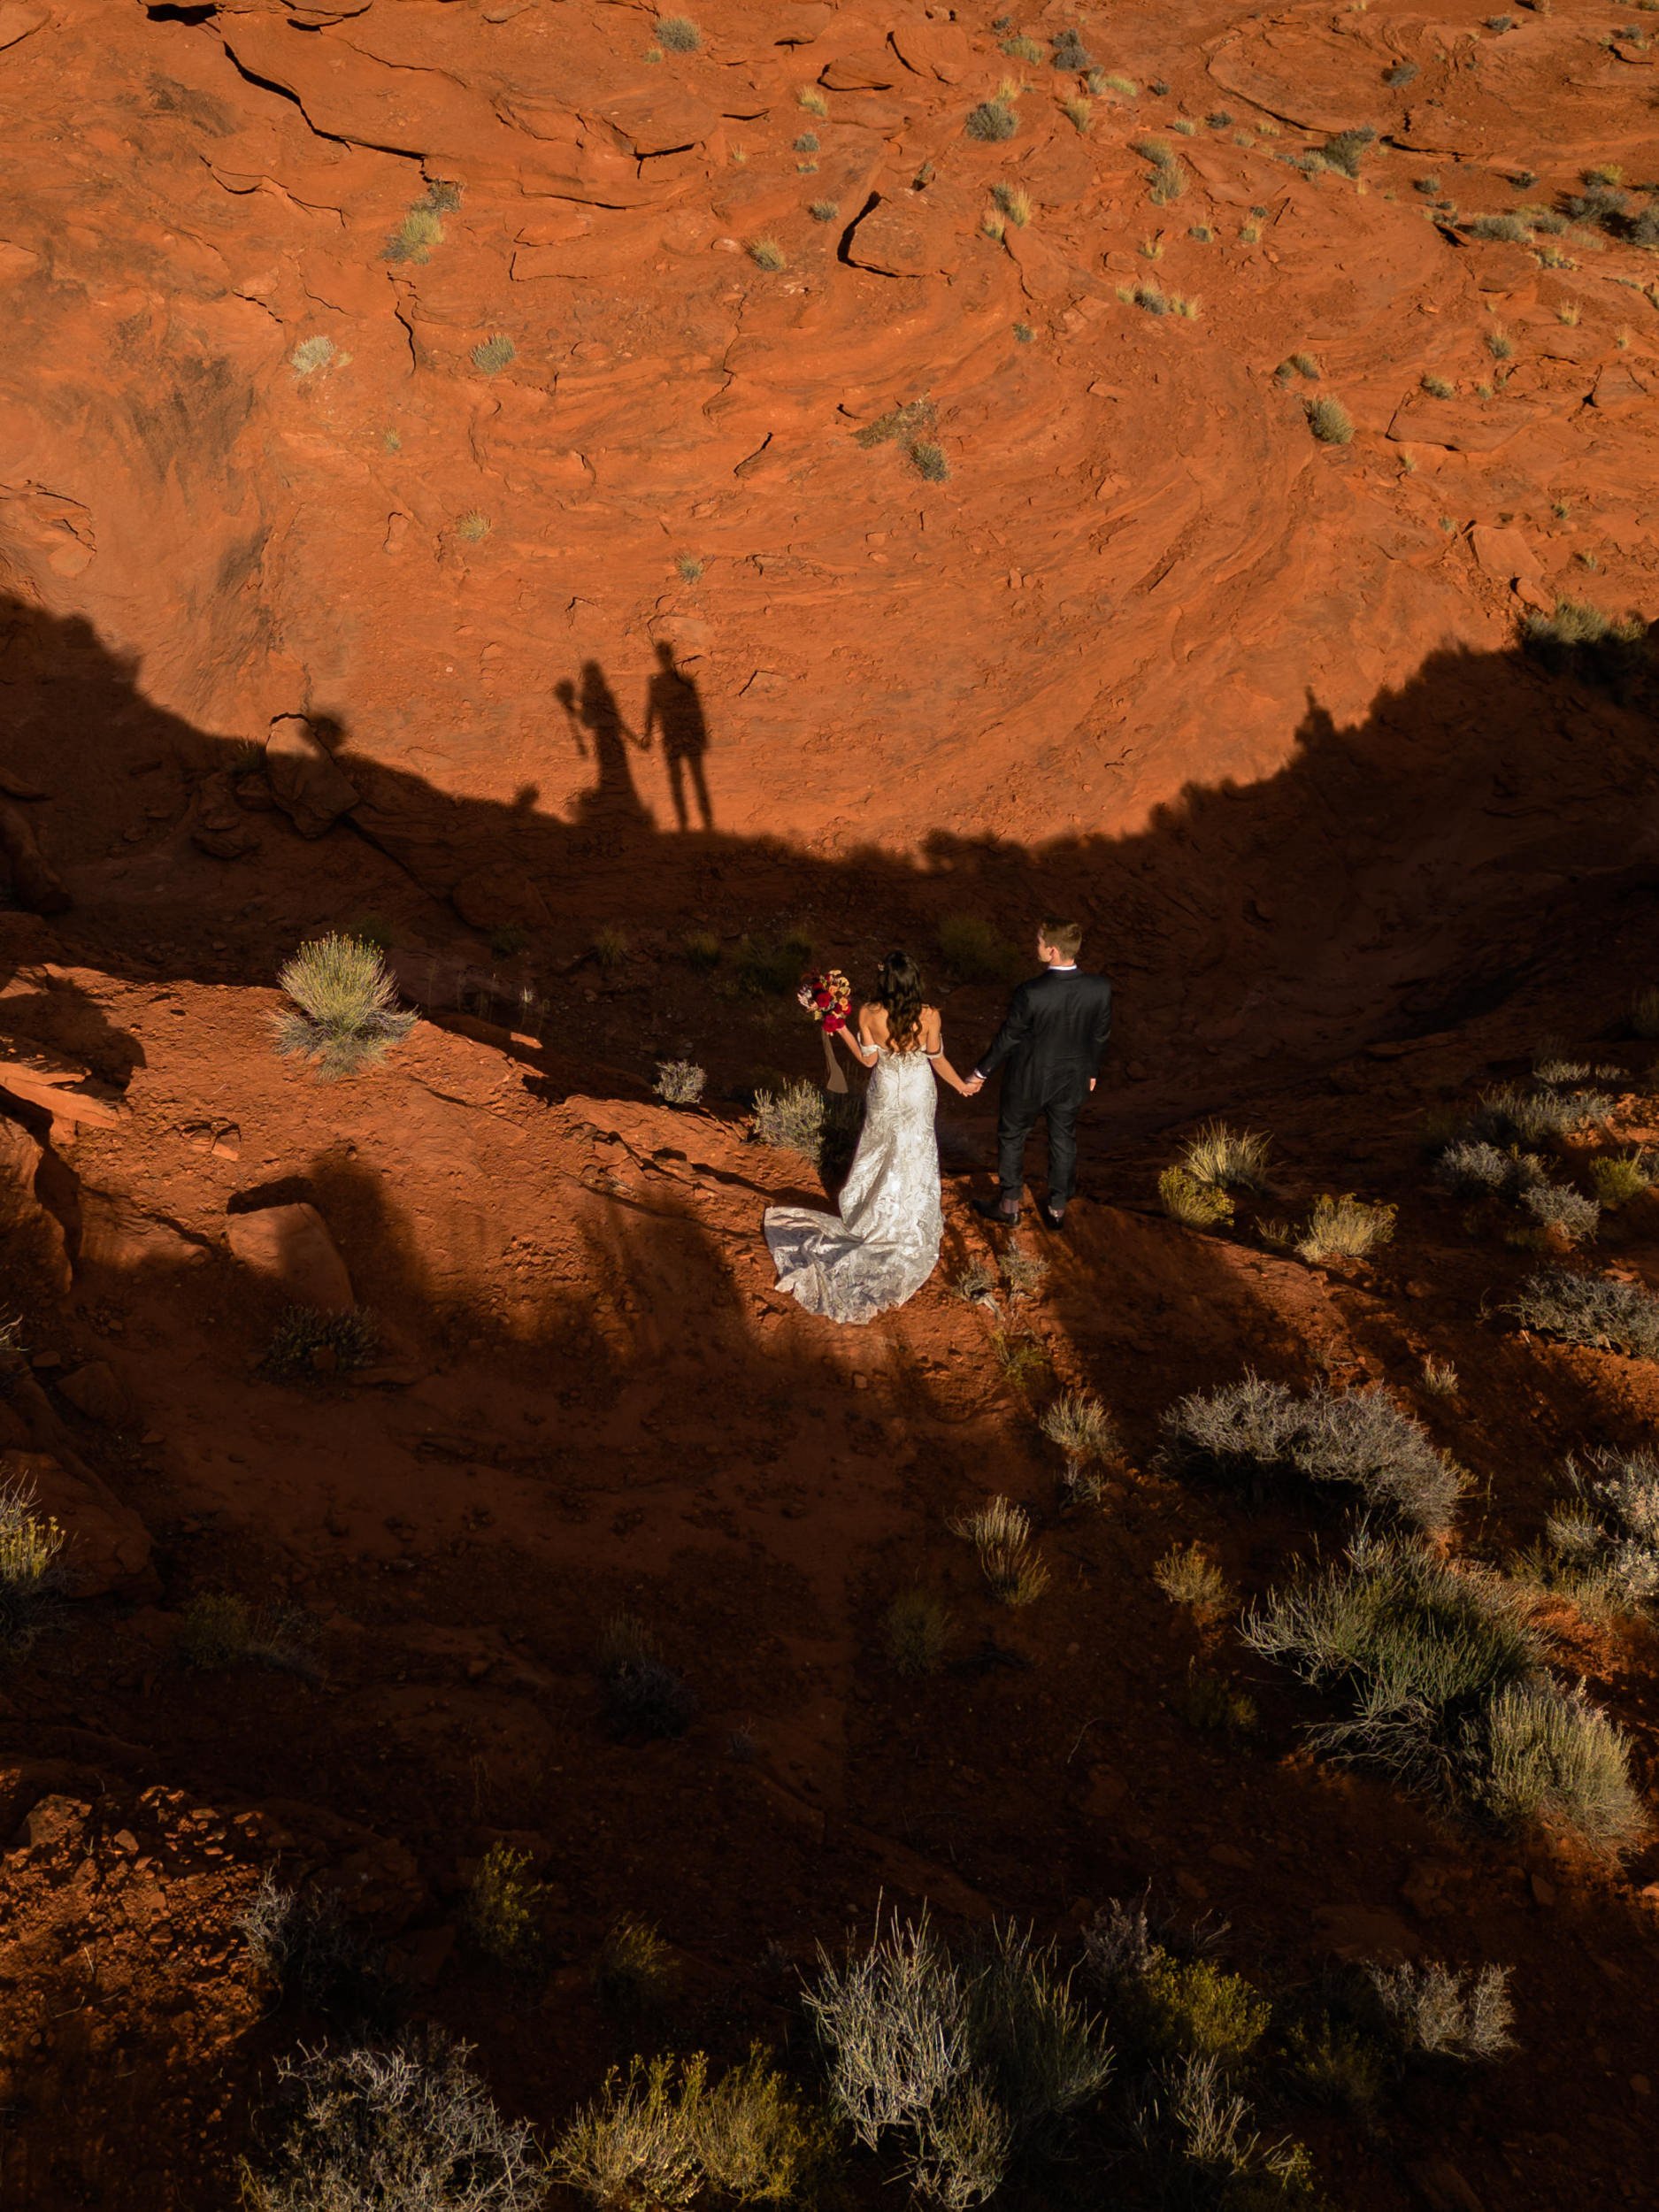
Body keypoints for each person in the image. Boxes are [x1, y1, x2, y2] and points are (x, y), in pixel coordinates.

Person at [764, 952, 974, 1325]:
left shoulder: (868, 1014)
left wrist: (836, 1023)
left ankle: (872, 1215)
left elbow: (867, 1061)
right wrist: (959, 1084)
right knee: (914, 1151)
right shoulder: (929, 1015)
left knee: (879, 1151)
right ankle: (909, 1218)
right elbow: (936, 1057)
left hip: (885, 1090)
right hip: (916, 1091)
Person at [964, 918, 1113, 1233]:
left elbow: (1009, 1036)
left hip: (1029, 1078)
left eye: (1039, 943)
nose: (1036, 947)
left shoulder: (1031, 992)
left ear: (1053, 951)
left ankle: (1009, 1206)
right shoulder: (1099, 988)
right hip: (1074, 1077)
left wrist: (981, 1072)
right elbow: (1100, 1035)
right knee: (1063, 1138)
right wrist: (1092, 1071)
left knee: (1013, 1134)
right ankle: (1057, 1210)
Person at [641, 641, 714, 832]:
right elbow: (698, 709)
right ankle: (705, 825)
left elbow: (651, 710)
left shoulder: (657, 682)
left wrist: (648, 736)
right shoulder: (682, 681)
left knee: (679, 780)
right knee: (695, 779)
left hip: (674, 737)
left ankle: (686, 824)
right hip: (682, 737)